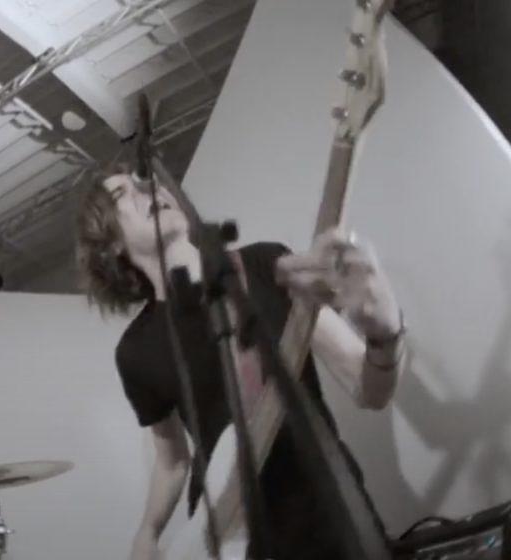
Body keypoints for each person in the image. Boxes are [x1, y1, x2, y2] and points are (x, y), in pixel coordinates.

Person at [75, 169, 408, 559]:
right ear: (111, 244)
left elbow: (369, 391)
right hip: (231, 534)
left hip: (330, 515)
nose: (147, 191)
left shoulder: (267, 265)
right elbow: (172, 461)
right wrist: (148, 531)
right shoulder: (135, 352)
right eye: (122, 194)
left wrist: (386, 336)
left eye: (146, 184)